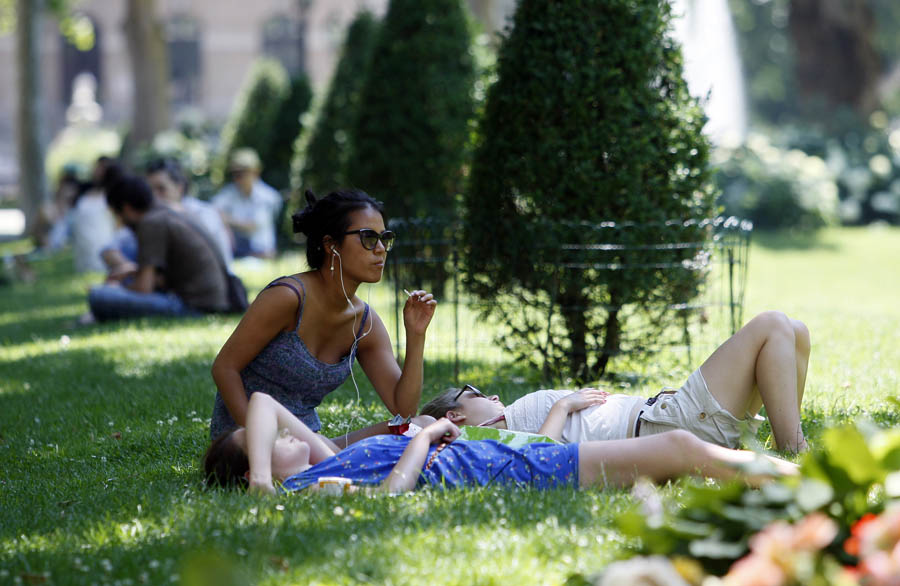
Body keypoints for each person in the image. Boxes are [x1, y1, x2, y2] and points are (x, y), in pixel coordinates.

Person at [203, 392, 798, 494]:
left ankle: (789, 480)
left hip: (516, 456)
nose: (283, 435)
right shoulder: (311, 483)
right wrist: (430, 435)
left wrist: (263, 467)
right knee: (681, 453)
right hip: (515, 469)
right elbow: (393, 492)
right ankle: (800, 486)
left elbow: (260, 405)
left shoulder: (325, 462)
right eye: (266, 445)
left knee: (682, 452)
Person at [209, 189, 436, 440]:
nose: (381, 249)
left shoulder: (364, 323)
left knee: (421, 426)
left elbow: (403, 409)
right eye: (368, 238)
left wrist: (416, 335)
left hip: (309, 444)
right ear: (331, 244)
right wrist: (258, 440)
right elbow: (224, 367)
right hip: (244, 441)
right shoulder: (288, 297)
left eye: (385, 238)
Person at [421, 311, 810, 453]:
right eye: (473, 394)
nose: (490, 395)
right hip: (670, 426)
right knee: (772, 325)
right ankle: (794, 445)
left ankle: (784, 438)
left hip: (667, 417)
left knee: (796, 331)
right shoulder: (485, 433)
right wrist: (563, 405)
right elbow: (539, 458)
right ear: (456, 415)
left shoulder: (500, 424)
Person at [86, 175, 230, 320]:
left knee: (99, 296)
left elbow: (144, 288)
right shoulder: (167, 212)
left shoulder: (151, 223)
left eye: (117, 215)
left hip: (193, 306)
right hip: (212, 301)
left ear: (127, 208)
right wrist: (136, 272)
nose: (120, 221)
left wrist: (116, 288)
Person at [145, 158, 234, 271]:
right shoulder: (155, 216)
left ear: (179, 188)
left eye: (161, 189)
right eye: (150, 190)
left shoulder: (203, 213)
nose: (154, 197)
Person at [211, 148, 282, 258]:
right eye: (234, 174)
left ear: (255, 172)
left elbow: (253, 226)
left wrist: (227, 220)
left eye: (241, 173)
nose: (237, 178)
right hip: (237, 251)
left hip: (260, 252)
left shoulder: (268, 196)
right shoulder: (230, 192)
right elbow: (212, 210)